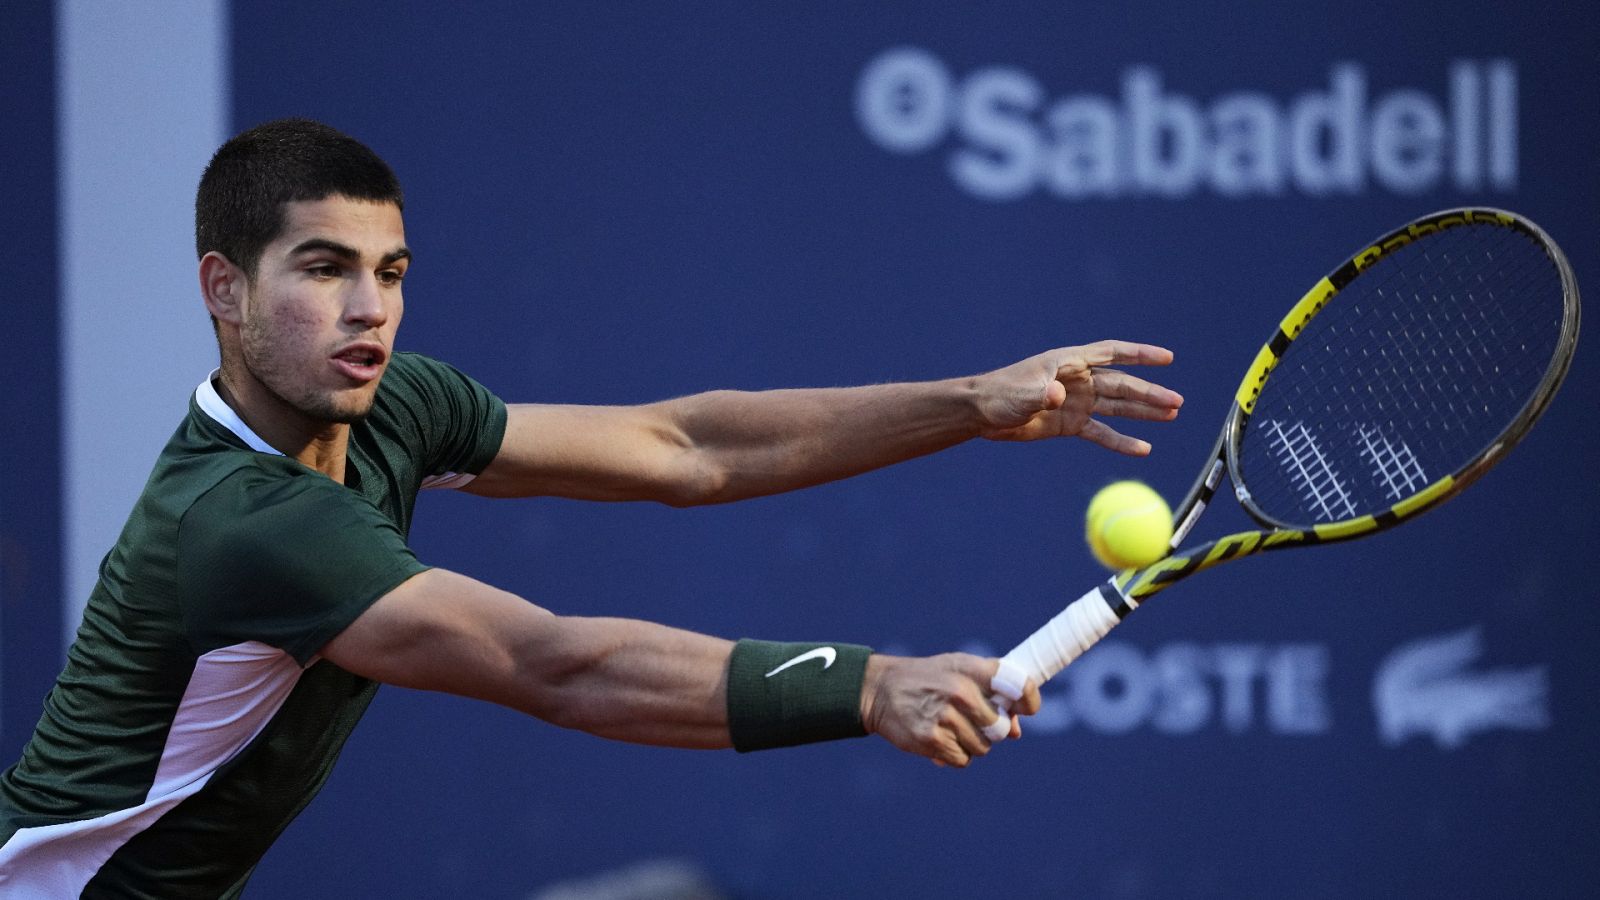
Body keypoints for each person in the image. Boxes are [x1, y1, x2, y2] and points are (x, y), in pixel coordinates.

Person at [0, 119, 1183, 897]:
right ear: (224, 288)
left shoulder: (391, 404)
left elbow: (683, 449)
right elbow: (556, 665)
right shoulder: (244, 522)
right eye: (323, 269)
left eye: (390, 273)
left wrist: (971, 402)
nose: (370, 310)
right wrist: (868, 687)